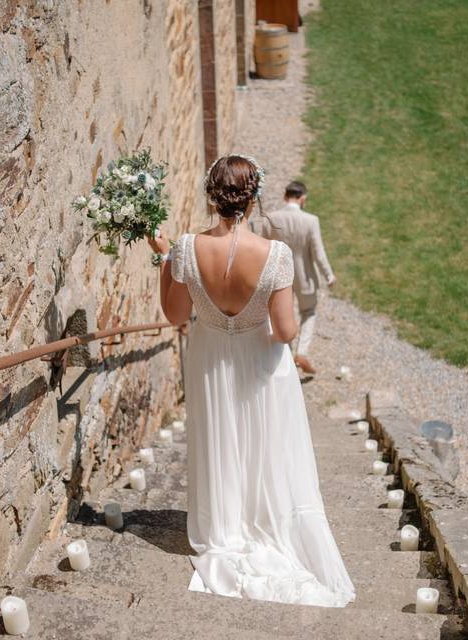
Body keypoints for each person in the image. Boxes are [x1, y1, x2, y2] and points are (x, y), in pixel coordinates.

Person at [147, 155, 355, 608]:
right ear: (254, 198)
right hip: (261, 360)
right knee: (263, 444)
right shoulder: (274, 255)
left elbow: (177, 315)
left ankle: (224, 525)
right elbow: (285, 332)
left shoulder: (184, 248)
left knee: (220, 439)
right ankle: (264, 520)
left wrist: (164, 260)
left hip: (208, 359)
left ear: (210, 196)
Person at [250, 181, 335, 374]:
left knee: (279, 314)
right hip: (304, 277)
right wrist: (329, 275)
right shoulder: (311, 220)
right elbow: (318, 252)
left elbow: (263, 249)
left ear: (284, 196)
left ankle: (285, 354)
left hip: (279, 277)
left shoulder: (271, 218)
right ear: (302, 198)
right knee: (309, 312)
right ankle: (302, 352)